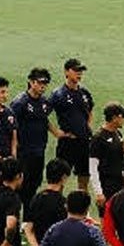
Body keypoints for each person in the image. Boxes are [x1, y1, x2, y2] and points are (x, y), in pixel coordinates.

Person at [11, 67, 66, 211]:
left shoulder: (44, 102)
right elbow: (11, 126)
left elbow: (43, 119)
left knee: (34, 184)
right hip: (24, 152)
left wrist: (56, 132)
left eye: (45, 83)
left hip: (39, 150)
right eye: (40, 82)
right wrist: (14, 148)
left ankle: (27, 220)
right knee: (21, 185)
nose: (43, 86)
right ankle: (14, 218)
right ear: (31, 82)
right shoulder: (20, 103)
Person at [51, 58, 95, 194]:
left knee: (84, 179)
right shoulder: (58, 94)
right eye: (76, 71)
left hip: (84, 143)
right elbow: (43, 113)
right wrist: (56, 132)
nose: (79, 74)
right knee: (60, 179)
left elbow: (90, 110)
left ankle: (82, 210)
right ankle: (57, 207)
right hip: (67, 143)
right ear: (66, 72)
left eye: (81, 71)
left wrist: (87, 127)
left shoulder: (85, 93)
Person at [89, 102, 124, 217]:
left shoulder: (118, 133)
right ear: (114, 118)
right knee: (107, 223)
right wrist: (99, 193)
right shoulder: (98, 138)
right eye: (122, 116)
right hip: (106, 186)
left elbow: (119, 157)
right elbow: (93, 167)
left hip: (120, 183)